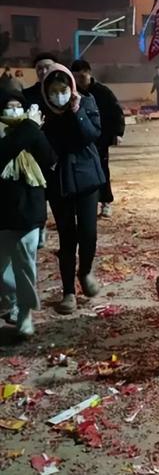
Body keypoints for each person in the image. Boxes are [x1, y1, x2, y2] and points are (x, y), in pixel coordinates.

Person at [41, 64, 105, 314]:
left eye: (63, 90)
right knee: (67, 237)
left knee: (88, 233)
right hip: (59, 180)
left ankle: (85, 271)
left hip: (86, 176)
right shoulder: (42, 113)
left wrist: (77, 111)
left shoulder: (86, 103)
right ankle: (68, 292)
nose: (59, 96)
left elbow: (92, 135)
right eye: (54, 92)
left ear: (71, 88)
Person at [0, 89, 56, 337]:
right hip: (2, 213)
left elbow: (49, 159)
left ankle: (25, 313)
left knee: (25, 267)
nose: (14, 111)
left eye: (18, 106)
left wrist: (35, 131)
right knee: (2, 270)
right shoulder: (17, 132)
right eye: (9, 107)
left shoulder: (32, 132)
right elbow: (4, 151)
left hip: (29, 211)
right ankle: (10, 302)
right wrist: (30, 128)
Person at [70, 60, 125, 218]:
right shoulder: (72, 93)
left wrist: (118, 133)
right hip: (79, 140)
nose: (79, 80)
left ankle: (106, 202)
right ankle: (82, 205)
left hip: (100, 139)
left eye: (82, 76)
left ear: (89, 73)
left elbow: (116, 112)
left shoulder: (102, 92)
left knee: (102, 170)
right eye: (75, 77)